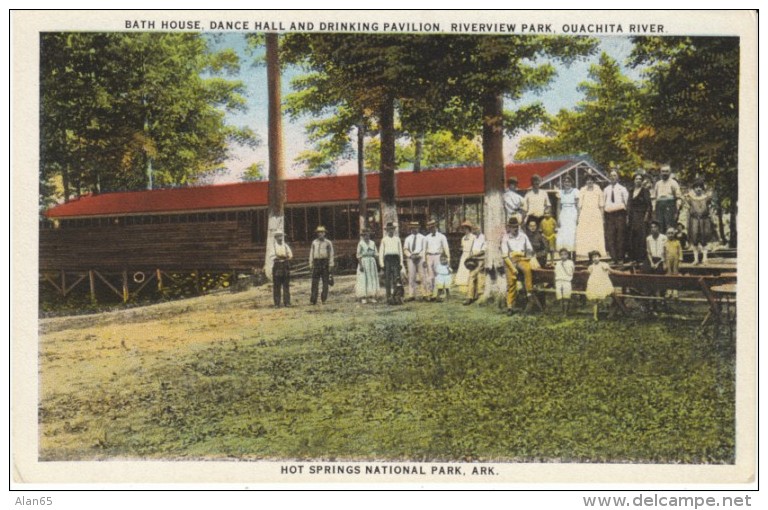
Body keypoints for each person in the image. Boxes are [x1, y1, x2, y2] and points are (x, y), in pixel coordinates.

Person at [501, 216, 534, 316]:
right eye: (512, 227)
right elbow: (505, 255)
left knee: (527, 269)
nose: (515, 229)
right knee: (511, 283)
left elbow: (529, 249)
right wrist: (513, 268)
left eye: (516, 226)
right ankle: (510, 306)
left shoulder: (523, 236)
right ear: (509, 227)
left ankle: (529, 293)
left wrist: (525, 256)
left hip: (521, 259)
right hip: (510, 261)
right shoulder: (506, 237)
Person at [575, 172, 606, 260]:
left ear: (593, 181)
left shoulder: (598, 190)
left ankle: (596, 251)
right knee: (586, 233)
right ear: (585, 181)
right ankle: (585, 252)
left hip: (595, 214)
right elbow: (579, 206)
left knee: (595, 232)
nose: (589, 182)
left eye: (591, 180)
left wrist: (602, 217)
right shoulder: (582, 190)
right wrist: (578, 217)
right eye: (588, 180)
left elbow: (601, 205)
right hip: (585, 214)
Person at [686, 178, 716, 264]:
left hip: (704, 220)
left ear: (703, 189)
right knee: (695, 239)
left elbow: (710, 209)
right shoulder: (690, 198)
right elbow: (688, 210)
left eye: (700, 187)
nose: (698, 189)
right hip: (694, 220)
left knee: (704, 239)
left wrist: (711, 219)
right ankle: (695, 259)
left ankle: (705, 258)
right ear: (694, 188)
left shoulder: (706, 198)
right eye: (696, 187)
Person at [603, 169, 629, 265]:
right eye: (611, 175)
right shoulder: (606, 189)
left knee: (620, 236)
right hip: (609, 216)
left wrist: (626, 216)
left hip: (620, 214)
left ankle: (621, 257)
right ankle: (613, 258)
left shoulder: (622, 189)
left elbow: (626, 203)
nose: (612, 177)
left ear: (618, 177)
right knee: (611, 236)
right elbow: (604, 203)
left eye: (614, 175)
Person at [627, 173, 653, 264]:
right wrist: (628, 216)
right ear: (634, 181)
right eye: (636, 179)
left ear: (642, 181)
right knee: (632, 236)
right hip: (632, 216)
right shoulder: (631, 191)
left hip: (641, 216)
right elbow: (629, 204)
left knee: (641, 237)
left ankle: (641, 258)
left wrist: (646, 217)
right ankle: (633, 257)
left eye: (640, 179)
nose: (638, 180)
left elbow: (649, 205)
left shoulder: (645, 191)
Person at [423, 219, 450, 301]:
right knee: (430, 276)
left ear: (436, 226)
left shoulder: (442, 236)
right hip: (429, 256)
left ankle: (438, 294)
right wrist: (424, 260)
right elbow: (424, 249)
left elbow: (446, 248)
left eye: (433, 226)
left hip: (438, 256)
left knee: (439, 275)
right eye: (430, 227)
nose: (432, 228)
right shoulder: (426, 237)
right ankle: (430, 293)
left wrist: (448, 259)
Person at [379, 222, 404, 305]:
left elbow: (400, 251)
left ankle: (397, 297)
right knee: (388, 280)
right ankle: (389, 297)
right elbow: (381, 252)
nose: (391, 231)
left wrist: (401, 262)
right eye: (389, 229)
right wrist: (382, 264)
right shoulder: (384, 239)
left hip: (396, 259)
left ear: (394, 230)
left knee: (397, 279)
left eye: (392, 229)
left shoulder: (397, 239)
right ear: (387, 230)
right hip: (387, 260)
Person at [309, 225, 334, 305]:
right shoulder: (314, 242)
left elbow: (331, 253)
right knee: (314, 282)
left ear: (325, 233)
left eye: (322, 232)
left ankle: (324, 298)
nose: (320, 234)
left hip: (325, 262)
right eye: (319, 232)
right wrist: (310, 263)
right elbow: (311, 253)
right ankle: (313, 299)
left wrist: (331, 264)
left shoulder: (328, 242)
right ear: (317, 233)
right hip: (316, 262)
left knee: (325, 282)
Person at [586, 250, 614, 321]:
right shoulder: (591, 266)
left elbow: (609, 271)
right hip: (594, 284)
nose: (595, 259)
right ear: (591, 259)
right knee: (594, 299)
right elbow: (589, 273)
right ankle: (595, 316)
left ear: (599, 257)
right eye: (593, 257)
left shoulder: (603, 264)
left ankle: (608, 312)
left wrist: (607, 269)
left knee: (604, 298)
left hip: (602, 284)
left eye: (596, 257)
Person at [653, 165, 682, 233]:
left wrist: (677, 209)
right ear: (660, 172)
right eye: (663, 171)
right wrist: (654, 208)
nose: (664, 173)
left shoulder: (674, 183)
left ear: (670, 172)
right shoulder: (658, 183)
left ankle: (670, 242)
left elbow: (678, 197)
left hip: (670, 206)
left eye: (666, 171)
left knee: (669, 225)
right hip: (659, 206)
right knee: (659, 225)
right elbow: (654, 197)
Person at [556, 174, 579, 259]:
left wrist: (578, 217)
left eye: (568, 182)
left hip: (572, 212)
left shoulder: (575, 191)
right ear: (563, 183)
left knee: (572, 234)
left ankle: (574, 255)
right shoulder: (560, 192)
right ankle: (566, 255)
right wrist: (558, 218)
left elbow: (577, 205)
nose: (567, 183)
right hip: (564, 213)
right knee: (565, 234)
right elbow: (558, 207)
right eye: (565, 182)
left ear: (571, 182)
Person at [463, 224, 487, 305]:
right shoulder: (475, 238)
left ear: (479, 229)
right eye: (473, 229)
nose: (474, 231)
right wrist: (471, 256)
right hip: (473, 259)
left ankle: (480, 295)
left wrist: (474, 256)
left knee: (480, 277)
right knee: (472, 277)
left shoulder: (483, 237)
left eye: (476, 229)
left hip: (480, 259)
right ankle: (470, 296)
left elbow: (483, 251)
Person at [403, 221, 426, 301]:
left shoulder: (423, 238)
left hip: (420, 257)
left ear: (418, 228)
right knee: (411, 277)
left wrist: (419, 255)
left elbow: (424, 248)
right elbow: (405, 249)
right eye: (412, 227)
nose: (414, 229)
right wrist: (410, 255)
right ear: (410, 228)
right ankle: (411, 295)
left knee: (422, 276)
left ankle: (424, 294)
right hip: (411, 258)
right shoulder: (408, 238)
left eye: (416, 227)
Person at [355, 228, 379, 304]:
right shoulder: (361, 243)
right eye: (364, 235)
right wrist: (361, 265)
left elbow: (376, 253)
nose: (366, 236)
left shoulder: (372, 243)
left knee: (371, 278)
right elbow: (358, 255)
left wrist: (377, 263)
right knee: (363, 278)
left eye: (368, 235)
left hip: (371, 262)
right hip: (364, 261)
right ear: (362, 236)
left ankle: (371, 296)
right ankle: (363, 297)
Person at [270, 230, 293, 307]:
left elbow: (290, 255)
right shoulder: (273, 246)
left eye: (281, 236)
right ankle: (277, 303)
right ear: (275, 237)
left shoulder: (285, 246)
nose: (280, 238)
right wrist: (280, 256)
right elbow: (272, 256)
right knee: (277, 285)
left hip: (285, 266)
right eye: (278, 236)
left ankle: (287, 302)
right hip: (277, 266)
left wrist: (286, 257)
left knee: (286, 285)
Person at [454, 220, 476, 291]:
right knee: (462, 266)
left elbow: (474, 246)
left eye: (466, 228)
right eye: (464, 229)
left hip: (470, 254)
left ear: (469, 229)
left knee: (469, 267)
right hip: (464, 254)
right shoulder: (463, 238)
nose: (465, 230)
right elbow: (463, 246)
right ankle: (461, 281)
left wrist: (472, 254)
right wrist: (462, 249)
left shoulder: (473, 237)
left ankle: (469, 281)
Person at [554, 248, 575, 316]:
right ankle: (561, 311)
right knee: (560, 297)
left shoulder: (570, 262)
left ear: (568, 255)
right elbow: (556, 272)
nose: (563, 256)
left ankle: (565, 312)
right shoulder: (558, 263)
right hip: (559, 281)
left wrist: (565, 267)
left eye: (565, 254)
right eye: (561, 255)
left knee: (566, 297)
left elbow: (571, 272)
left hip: (566, 281)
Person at [665, 227, 683, 299]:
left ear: (674, 234)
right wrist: (664, 262)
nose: (670, 235)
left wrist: (680, 260)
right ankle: (669, 291)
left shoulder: (677, 242)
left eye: (672, 233)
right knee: (669, 275)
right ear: (666, 234)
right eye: (669, 233)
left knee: (675, 275)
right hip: (668, 260)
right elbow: (663, 253)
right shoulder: (665, 243)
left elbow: (680, 252)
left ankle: (675, 291)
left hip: (676, 260)